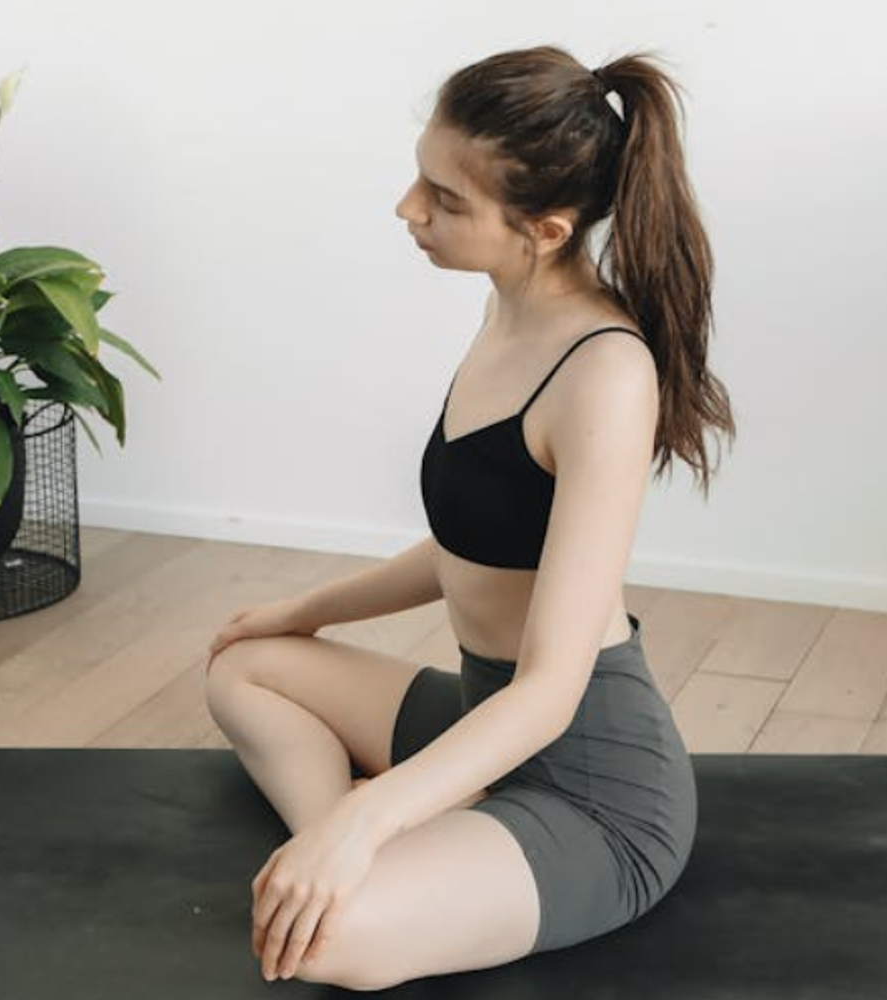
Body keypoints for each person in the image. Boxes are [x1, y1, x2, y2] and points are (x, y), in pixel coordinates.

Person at [200, 45, 736, 991]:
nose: (410, 208)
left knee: (325, 947)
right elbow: (468, 545)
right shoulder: (507, 314)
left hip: (589, 787)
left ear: (544, 227)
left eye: (446, 200)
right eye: (421, 175)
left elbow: (553, 691)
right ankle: (361, 838)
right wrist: (301, 613)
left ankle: (361, 844)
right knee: (245, 668)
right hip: (482, 720)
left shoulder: (605, 374)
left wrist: (369, 822)